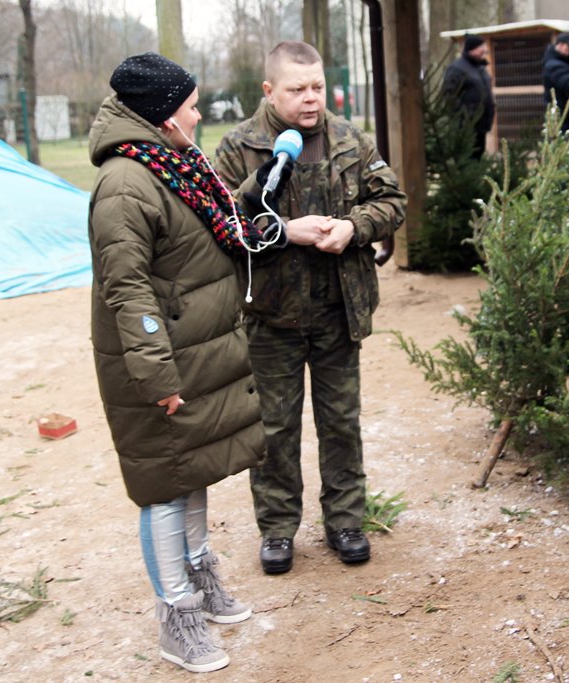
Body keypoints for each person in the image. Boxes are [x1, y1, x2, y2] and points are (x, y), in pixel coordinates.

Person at [88, 52, 266, 674]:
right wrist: (157, 376)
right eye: (189, 103)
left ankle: (200, 575)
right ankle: (176, 615)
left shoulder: (172, 164)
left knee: (192, 472)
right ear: (163, 114)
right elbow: (128, 291)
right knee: (164, 487)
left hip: (193, 354)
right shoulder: (124, 184)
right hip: (158, 363)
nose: (197, 111)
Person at [213, 41, 407, 576]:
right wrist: (281, 231)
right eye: (297, 89)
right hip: (270, 317)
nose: (310, 99)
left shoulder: (350, 139)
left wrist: (353, 226)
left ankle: (346, 521)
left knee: (341, 423)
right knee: (273, 430)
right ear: (269, 91)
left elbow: (393, 202)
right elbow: (219, 223)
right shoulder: (239, 147)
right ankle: (277, 530)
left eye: (317, 87)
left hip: (337, 311)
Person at [441, 33, 496, 159]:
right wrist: (463, 118)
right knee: (466, 159)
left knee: (478, 158)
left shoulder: (481, 68)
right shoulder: (456, 69)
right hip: (465, 128)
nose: (485, 50)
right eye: (481, 46)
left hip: (481, 126)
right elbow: (449, 96)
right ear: (472, 48)